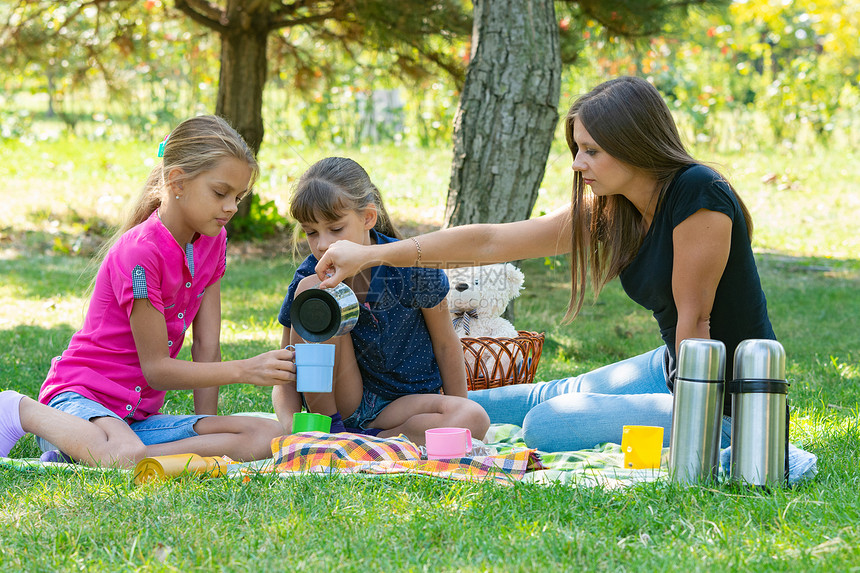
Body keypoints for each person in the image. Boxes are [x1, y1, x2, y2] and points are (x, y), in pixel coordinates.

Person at [312, 77, 777, 453]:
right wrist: (374, 252)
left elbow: (696, 323)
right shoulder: (617, 208)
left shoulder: (698, 192)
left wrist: (693, 430)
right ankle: (370, 432)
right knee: (484, 406)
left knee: (548, 424)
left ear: (634, 143)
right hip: (671, 366)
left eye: (592, 150)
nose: (578, 163)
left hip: (724, 402)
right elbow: (494, 241)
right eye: (577, 148)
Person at [0, 115, 292, 468]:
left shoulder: (214, 243)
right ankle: (18, 409)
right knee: (126, 452)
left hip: (135, 420)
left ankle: (87, 453)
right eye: (220, 193)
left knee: (268, 436)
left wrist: (208, 435)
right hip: (78, 400)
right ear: (177, 182)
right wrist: (245, 370)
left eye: (238, 196)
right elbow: (157, 370)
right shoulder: (140, 253)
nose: (231, 207)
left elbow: (207, 347)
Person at [272, 157, 489, 444]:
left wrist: (459, 415)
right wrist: (292, 426)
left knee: (473, 417)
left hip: (404, 405)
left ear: (368, 218)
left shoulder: (413, 266)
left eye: (335, 229)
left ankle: (368, 440)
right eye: (311, 232)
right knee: (314, 290)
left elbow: (446, 345)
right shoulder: (309, 275)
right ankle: (329, 433)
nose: (322, 244)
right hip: (345, 401)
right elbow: (287, 363)